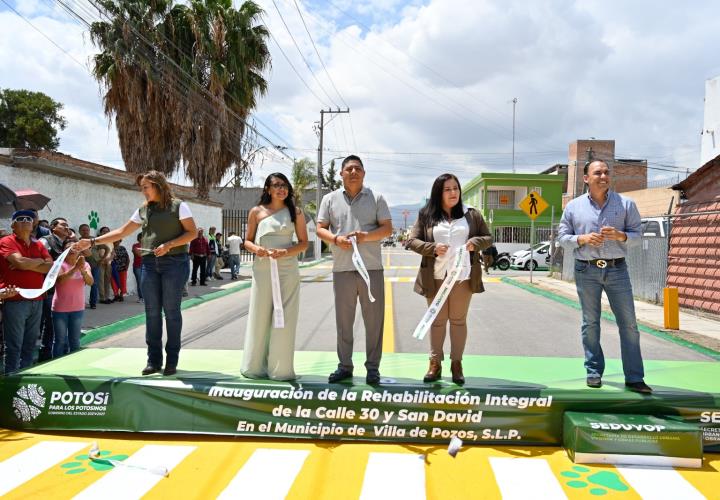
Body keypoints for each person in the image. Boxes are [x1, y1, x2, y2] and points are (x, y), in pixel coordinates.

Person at [74, 171, 197, 376]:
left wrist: (170, 244)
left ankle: (172, 360)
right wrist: (93, 241)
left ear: (158, 185)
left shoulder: (178, 206)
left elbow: (192, 232)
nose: (143, 191)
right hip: (149, 264)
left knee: (172, 312)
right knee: (152, 312)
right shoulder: (143, 209)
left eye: (146, 187)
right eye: (141, 188)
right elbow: (122, 232)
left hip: (175, 263)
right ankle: (154, 361)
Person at [558, 159, 651, 394]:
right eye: (597, 172)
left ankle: (634, 377)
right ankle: (593, 372)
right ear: (586, 178)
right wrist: (582, 239)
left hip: (617, 269)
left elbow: (638, 235)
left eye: (606, 172)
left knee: (628, 324)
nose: (603, 176)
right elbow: (562, 238)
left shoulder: (626, 204)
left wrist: (620, 235)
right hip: (586, 270)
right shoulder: (573, 207)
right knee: (590, 323)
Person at [405, 174, 492, 384]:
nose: (453, 193)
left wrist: (475, 242)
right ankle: (435, 363)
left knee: (458, 320)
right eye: (447, 189)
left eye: (456, 188)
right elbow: (411, 241)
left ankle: (456, 363)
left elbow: (488, 239)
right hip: (435, 277)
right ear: (439, 193)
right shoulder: (426, 215)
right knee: (437, 321)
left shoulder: (472, 215)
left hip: (462, 277)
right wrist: (432, 248)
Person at [317, 155, 392, 385]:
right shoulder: (329, 199)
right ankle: (345, 366)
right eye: (348, 169)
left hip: (371, 269)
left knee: (374, 321)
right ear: (341, 174)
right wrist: (336, 239)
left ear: (364, 173)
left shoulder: (376, 198)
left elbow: (387, 229)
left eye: (357, 168)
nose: (353, 172)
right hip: (342, 269)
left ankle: (373, 368)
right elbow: (320, 228)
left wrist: (366, 236)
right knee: (344, 321)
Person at [241, 173, 308, 381]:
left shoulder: (295, 212)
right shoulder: (256, 212)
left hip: (287, 268)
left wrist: (285, 252)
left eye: (284, 185)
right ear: (268, 189)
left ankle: (281, 370)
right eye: (276, 185)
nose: (281, 189)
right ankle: (254, 367)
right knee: (260, 314)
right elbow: (247, 241)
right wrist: (257, 249)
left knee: (285, 318)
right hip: (262, 268)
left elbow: (303, 243)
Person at [0, 210, 53, 374]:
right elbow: (20, 263)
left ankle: (27, 374)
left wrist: (28, 263)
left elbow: (50, 265)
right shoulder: (6, 241)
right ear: (13, 225)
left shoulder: (38, 244)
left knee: (30, 342)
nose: (25, 220)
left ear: (33, 224)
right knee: (14, 344)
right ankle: (11, 376)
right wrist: (38, 263)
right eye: (20, 219)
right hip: (14, 299)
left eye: (28, 219)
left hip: (37, 299)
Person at [52, 238, 93, 358]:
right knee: (60, 341)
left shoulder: (85, 264)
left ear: (80, 250)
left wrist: (83, 271)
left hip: (78, 308)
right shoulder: (59, 264)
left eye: (75, 247)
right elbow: (59, 280)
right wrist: (75, 268)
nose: (72, 249)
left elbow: (90, 282)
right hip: (60, 309)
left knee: (75, 341)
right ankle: (56, 368)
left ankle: (73, 366)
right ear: (63, 251)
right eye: (68, 247)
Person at [79, 224, 101, 309]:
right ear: (80, 232)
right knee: (81, 284)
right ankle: (81, 303)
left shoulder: (94, 240)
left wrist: (101, 259)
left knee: (94, 284)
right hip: (82, 266)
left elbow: (105, 248)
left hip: (95, 265)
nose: (85, 232)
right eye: (83, 230)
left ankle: (93, 303)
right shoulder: (78, 241)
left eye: (87, 230)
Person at [97, 226, 114, 304]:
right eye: (104, 231)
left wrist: (109, 259)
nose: (105, 233)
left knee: (107, 281)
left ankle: (107, 297)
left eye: (107, 231)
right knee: (101, 280)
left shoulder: (111, 241)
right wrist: (103, 259)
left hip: (109, 263)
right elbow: (97, 252)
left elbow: (113, 252)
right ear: (100, 233)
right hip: (101, 263)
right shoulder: (98, 240)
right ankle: (102, 298)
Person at [132, 233, 143, 302]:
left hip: (147, 266)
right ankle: (141, 298)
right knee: (140, 282)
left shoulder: (148, 245)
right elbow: (139, 254)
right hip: (138, 266)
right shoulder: (135, 246)